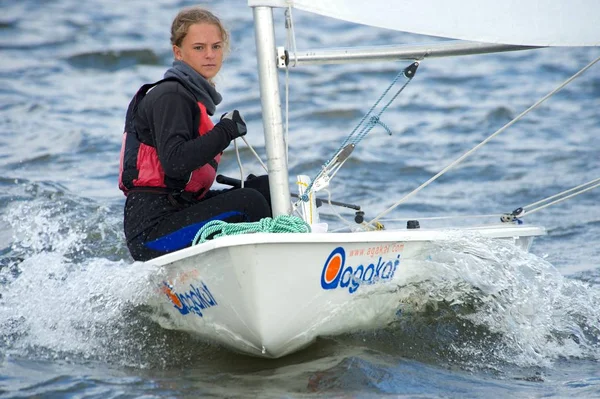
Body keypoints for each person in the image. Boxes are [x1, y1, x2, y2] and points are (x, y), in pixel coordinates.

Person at [119, 6, 272, 262]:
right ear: (178, 52)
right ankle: (260, 278)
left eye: (216, 46)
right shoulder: (171, 96)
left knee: (266, 189)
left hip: (179, 209)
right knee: (249, 203)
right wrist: (225, 131)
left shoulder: (190, 97)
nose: (210, 55)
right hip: (152, 231)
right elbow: (176, 162)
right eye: (199, 48)